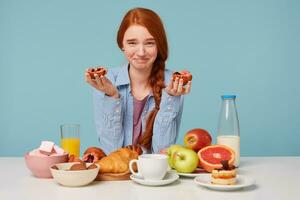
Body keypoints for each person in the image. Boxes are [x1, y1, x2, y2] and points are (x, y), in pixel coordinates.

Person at [85, 7, 192, 154]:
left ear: (158, 45)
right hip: (121, 175)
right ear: (122, 45)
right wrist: (112, 96)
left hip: (154, 176)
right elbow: (112, 152)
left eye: (149, 43)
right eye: (132, 43)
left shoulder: (173, 83)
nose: (141, 52)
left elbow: (162, 153)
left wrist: (171, 98)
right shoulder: (106, 82)